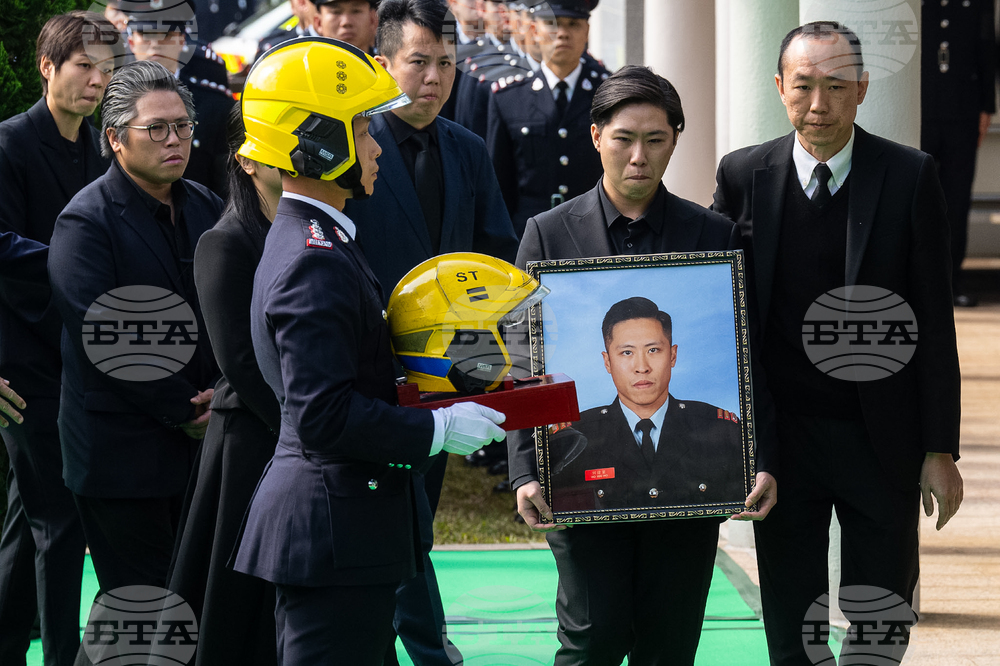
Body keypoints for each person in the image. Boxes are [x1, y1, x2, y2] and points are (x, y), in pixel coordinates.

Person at [229, 37, 507, 665]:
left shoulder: (315, 238)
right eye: (360, 127)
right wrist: (436, 429)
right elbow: (324, 414)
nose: (377, 144)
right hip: (335, 531)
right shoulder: (314, 260)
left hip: (346, 528)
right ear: (320, 142)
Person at [712, 22, 963, 665]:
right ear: (780, 88)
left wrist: (939, 448)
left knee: (881, 612)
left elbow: (934, 318)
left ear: (862, 90)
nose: (818, 105)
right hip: (783, 436)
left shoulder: (909, 176)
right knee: (792, 615)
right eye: (803, 87)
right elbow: (727, 317)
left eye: (836, 86)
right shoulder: (743, 175)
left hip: (882, 434)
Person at [511, 64, 776, 666]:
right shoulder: (548, 235)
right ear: (597, 136)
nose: (638, 156)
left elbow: (747, 356)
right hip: (580, 480)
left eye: (655, 140)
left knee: (670, 645)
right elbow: (525, 361)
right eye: (624, 137)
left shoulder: (712, 234)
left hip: (688, 484)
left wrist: (759, 458)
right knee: (591, 639)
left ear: (675, 141)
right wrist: (528, 470)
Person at [342, 1, 517, 663]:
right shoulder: (350, 147)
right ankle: (425, 646)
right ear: (381, 64)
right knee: (391, 521)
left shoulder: (467, 149)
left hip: (448, 376)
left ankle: (413, 642)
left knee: (416, 522)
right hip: (364, 375)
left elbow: (495, 253)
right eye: (420, 61)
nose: (435, 77)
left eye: (447, 63)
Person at [47, 60, 222, 619]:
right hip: (120, 450)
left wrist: (222, 390)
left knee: (182, 603)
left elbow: (232, 310)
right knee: (145, 606)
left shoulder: (206, 205)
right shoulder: (85, 222)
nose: (175, 140)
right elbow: (103, 334)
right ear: (115, 139)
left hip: (202, 440)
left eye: (184, 127)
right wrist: (182, 408)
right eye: (157, 128)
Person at [0, 11, 118, 666]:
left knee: (31, 518)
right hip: (26, 366)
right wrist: (77, 261)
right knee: (59, 522)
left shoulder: (98, 146)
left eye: (105, 69)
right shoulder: (9, 144)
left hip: (80, 358)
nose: (97, 80)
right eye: (83, 67)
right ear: (47, 67)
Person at [166, 104, 282, 666]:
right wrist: (309, 426)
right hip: (252, 444)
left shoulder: (316, 231)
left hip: (294, 436)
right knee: (236, 612)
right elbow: (239, 360)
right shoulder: (227, 240)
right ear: (247, 160)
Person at [551, 297, 745, 512]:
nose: (641, 367)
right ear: (607, 362)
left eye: (653, 350)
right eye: (627, 352)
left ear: (672, 355)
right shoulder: (574, 437)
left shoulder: (718, 429)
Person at [486, 0, 609, 237]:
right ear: (534, 31)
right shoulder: (508, 97)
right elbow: (499, 186)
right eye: (553, 24)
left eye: (573, 24)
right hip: (529, 235)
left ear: (586, 31)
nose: (562, 33)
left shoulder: (607, 93)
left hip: (593, 233)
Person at [921, 0, 996, 306]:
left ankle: (951, 284)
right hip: (922, 110)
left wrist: (987, 106)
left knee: (957, 199)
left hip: (964, 112)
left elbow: (987, 47)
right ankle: (919, 282)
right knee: (918, 198)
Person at [127, 1, 235, 198]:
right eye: (146, 35)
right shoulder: (114, 102)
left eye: (166, 35)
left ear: (182, 40)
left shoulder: (216, 106)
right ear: (132, 42)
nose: (155, 44)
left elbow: (227, 189)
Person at [312, 0, 379, 53]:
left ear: (373, 20)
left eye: (356, 11)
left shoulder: (385, 68)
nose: (346, 22)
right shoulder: (306, 68)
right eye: (336, 12)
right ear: (319, 23)